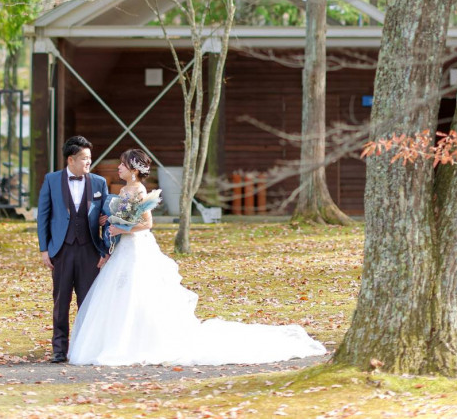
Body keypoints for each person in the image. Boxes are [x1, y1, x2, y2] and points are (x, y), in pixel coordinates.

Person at [68, 148, 326, 366]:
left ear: (134, 169)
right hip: (123, 248)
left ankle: (139, 341)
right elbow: (124, 217)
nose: (119, 169)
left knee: (139, 290)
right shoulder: (124, 191)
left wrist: (120, 227)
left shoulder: (137, 191)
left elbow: (146, 224)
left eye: (123, 165)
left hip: (136, 247)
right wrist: (111, 221)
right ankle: (115, 339)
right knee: (118, 292)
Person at [37, 135, 111, 363]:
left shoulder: (99, 183)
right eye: (85, 158)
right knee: (61, 301)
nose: (89, 162)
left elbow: (108, 217)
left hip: (90, 250)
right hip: (61, 249)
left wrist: (106, 249)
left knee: (88, 301)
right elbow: (43, 215)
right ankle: (59, 349)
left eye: (90, 158)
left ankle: (85, 347)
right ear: (71, 160)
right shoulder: (51, 180)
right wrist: (44, 249)